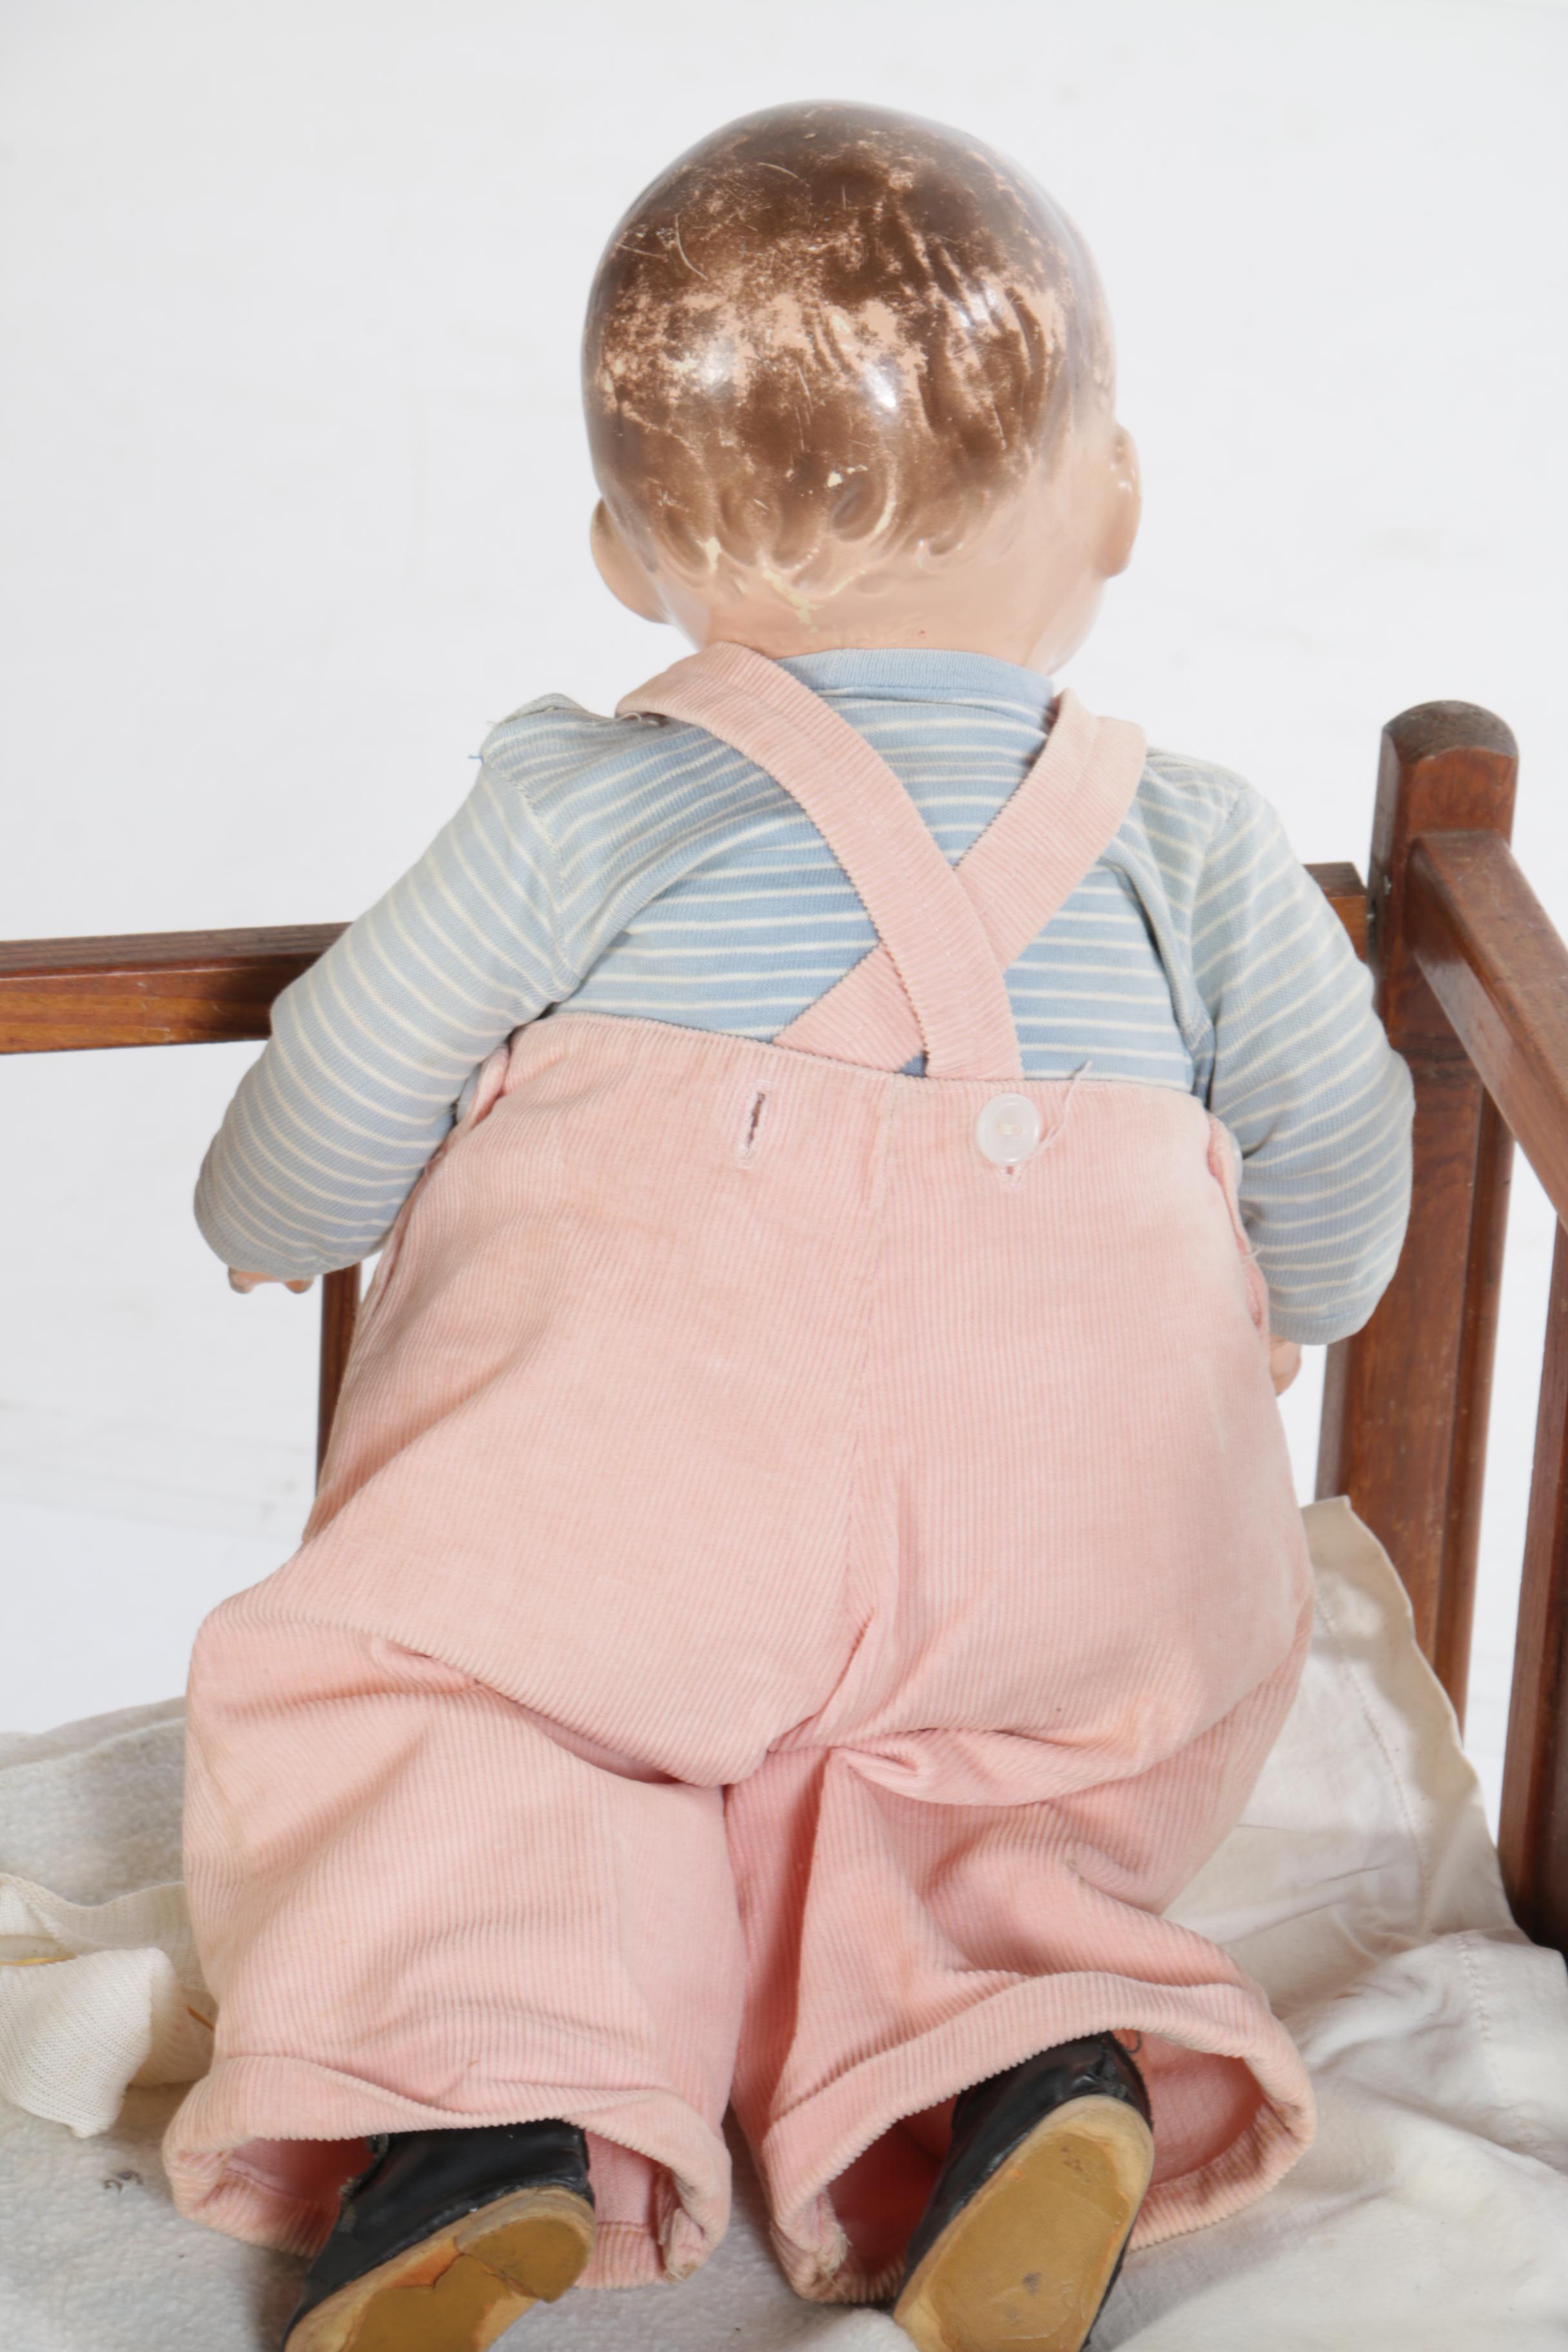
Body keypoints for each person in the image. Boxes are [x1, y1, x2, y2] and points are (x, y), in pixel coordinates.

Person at [168, 101, 1413, 2352]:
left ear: (625, 551)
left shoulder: (582, 807)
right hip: (1078, 1542)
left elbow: (333, 1100)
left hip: (633, 1509)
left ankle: (485, 2116)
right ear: (1117, 501)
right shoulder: (1200, 844)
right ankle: (1019, 2066)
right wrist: (1290, 1304)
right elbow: (1341, 1168)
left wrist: (270, 1216)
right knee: (993, 1800)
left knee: (466, 1723)